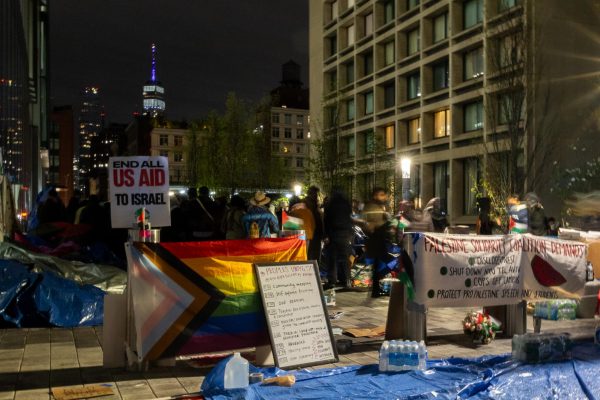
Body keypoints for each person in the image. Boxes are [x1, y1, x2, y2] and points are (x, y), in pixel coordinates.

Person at [362, 187, 391, 298]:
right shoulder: (372, 206)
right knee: (382, 263)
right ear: (375, 196)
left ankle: (376, 289)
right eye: (381, 194)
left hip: (380, 239)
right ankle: (376, 289)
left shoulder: (380, 206)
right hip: (376, 239)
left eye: (384, 195)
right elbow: (373, 223)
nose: (384, 197)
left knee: (379, 265)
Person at [323, 189, 353, 289]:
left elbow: (326, 221)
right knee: (345, 259)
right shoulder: (346, 205)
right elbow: (349, 220)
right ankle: (347, 281)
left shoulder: (330, 205)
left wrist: (326, 235)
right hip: (345, 235)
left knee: (332, 258)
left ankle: (332, 281)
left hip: (333, 235)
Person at [305, 186, 324, 262]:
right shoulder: (310, 205)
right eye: (316, 194)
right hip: (312, 234)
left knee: (311, 254)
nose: (317, 196)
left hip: (310, 234)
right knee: (313, 255)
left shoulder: (313, 205)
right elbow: (317, 220)